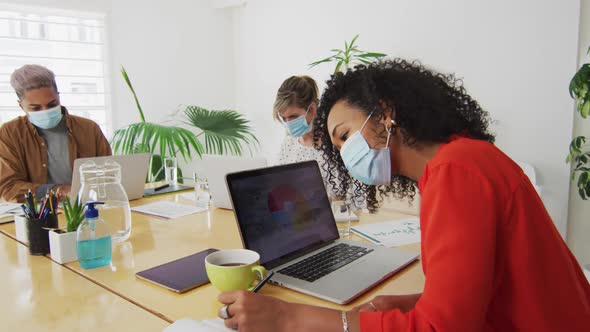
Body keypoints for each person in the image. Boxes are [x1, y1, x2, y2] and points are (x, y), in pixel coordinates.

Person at [216, 60, 590, 331]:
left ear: (385, 114)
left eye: (345, 135)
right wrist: (410, 305)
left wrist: (287, 317)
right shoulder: (462, 159)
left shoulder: (455, 172)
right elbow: (469, 303)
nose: (346, 154)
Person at [0, 64, 111, 202]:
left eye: (52, 104)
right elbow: (8, 188)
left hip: (89, 207)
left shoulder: (89, 129)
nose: (45, 110)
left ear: (59, 97)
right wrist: (61, 190)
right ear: (21, 105)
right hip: (40, 215)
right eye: (35, 108)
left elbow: (109, 174)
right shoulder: (9, 133)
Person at [273, 75, 342, 199]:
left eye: (293, 117)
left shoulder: (333, 146)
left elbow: (341, 199)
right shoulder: (288, 144)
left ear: (312, 109)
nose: (288, 123)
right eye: (284, 118)